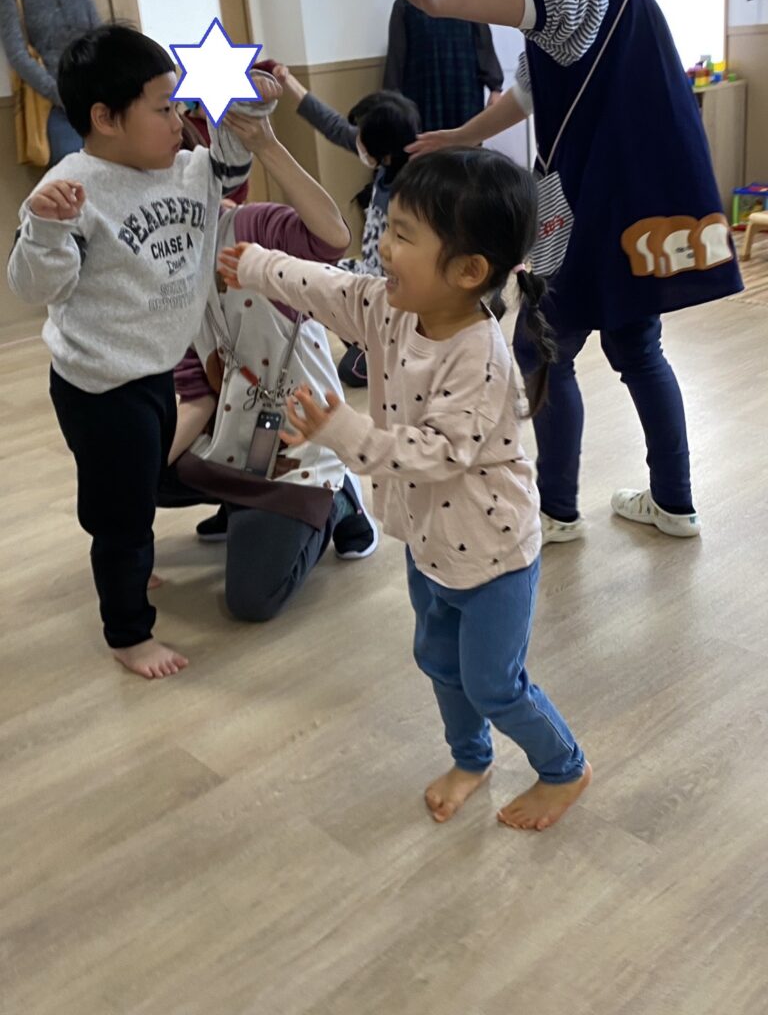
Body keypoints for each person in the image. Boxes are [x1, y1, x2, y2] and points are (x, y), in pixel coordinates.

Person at [219, 148, 591, 832]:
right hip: (429, 543)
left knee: (494, 684)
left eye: (403, 235)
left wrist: (342, 430)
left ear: (468, 271)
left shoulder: (480, 358)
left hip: (495, 556)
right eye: (388, 226)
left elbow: (436, 454)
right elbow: (327, 286)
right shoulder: (389, 307)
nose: (383, 247)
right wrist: (255, 264)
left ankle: (564, 768)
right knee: (438, 661)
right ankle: (471, 759)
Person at [405, 0, 743, 544]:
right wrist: (463, 136)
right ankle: (674, 501)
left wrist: (461, 135)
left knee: (541, 350)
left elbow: (436, 0)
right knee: (638, 349)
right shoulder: (619, 0)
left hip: (587, 209)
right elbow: (530, 88)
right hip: (638, 209)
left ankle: (558, 510)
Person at [6, 23, 279, 679]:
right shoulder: (70, 190)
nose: (179, 121)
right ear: (105, 118)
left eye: (180, 105)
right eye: (162, 110)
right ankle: (128, 632)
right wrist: (44, 228)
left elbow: (231, 158)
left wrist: (251, 98)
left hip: (156, 368)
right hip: (97, 383)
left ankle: (122, 537)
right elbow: (35, 286)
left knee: (130, 486)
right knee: (122, 513)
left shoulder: (186, 169)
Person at [158, 107, 379, 623]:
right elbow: (197, 396)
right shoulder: (164, 270)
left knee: (252, 601)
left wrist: (266, 143)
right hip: (236, 434)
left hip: (301, 438)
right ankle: (242, 504)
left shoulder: (247, 225)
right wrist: (133, 478)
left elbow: (332, 238)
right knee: (137, 472)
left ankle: (338, 498)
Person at [272, 61, 421, 387]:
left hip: (395, 293)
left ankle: (393, 346)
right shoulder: (389, 159)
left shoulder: (414, 187)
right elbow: (335, 127)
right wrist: (288, 82)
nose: (357, 143)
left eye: (364, 140)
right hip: (371, 274)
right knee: (316, 278)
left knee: (350, 372)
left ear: (383, 149)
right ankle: (365, 337)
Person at [0, 0, 100, 165]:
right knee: (71, 175)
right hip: (56, 104)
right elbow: (17, 55)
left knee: (113, 173)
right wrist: (58, 93)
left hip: (100, 98)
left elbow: (101, 36)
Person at [383, 0, 504, 132]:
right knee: (427, 141)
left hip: (465, 90)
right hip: (422, 93)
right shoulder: (407, 1)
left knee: (467, 140)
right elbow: (396, 55)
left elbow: (484, 45)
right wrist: (390, 100)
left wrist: (495, 88)